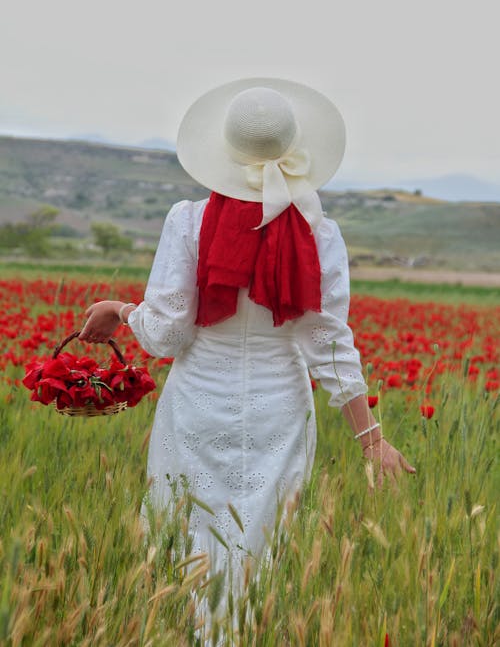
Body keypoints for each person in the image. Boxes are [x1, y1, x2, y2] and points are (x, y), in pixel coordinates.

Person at [79, 77, 415, 582]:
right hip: (277, 412)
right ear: (295, 148)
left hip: (195, 409)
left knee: (185, 553)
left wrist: (122, 310)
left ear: (224, 153)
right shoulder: (318, 234)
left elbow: (167, 336)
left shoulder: (189, 222)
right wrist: (371, 440)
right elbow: (328, 347)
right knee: (259, 560)